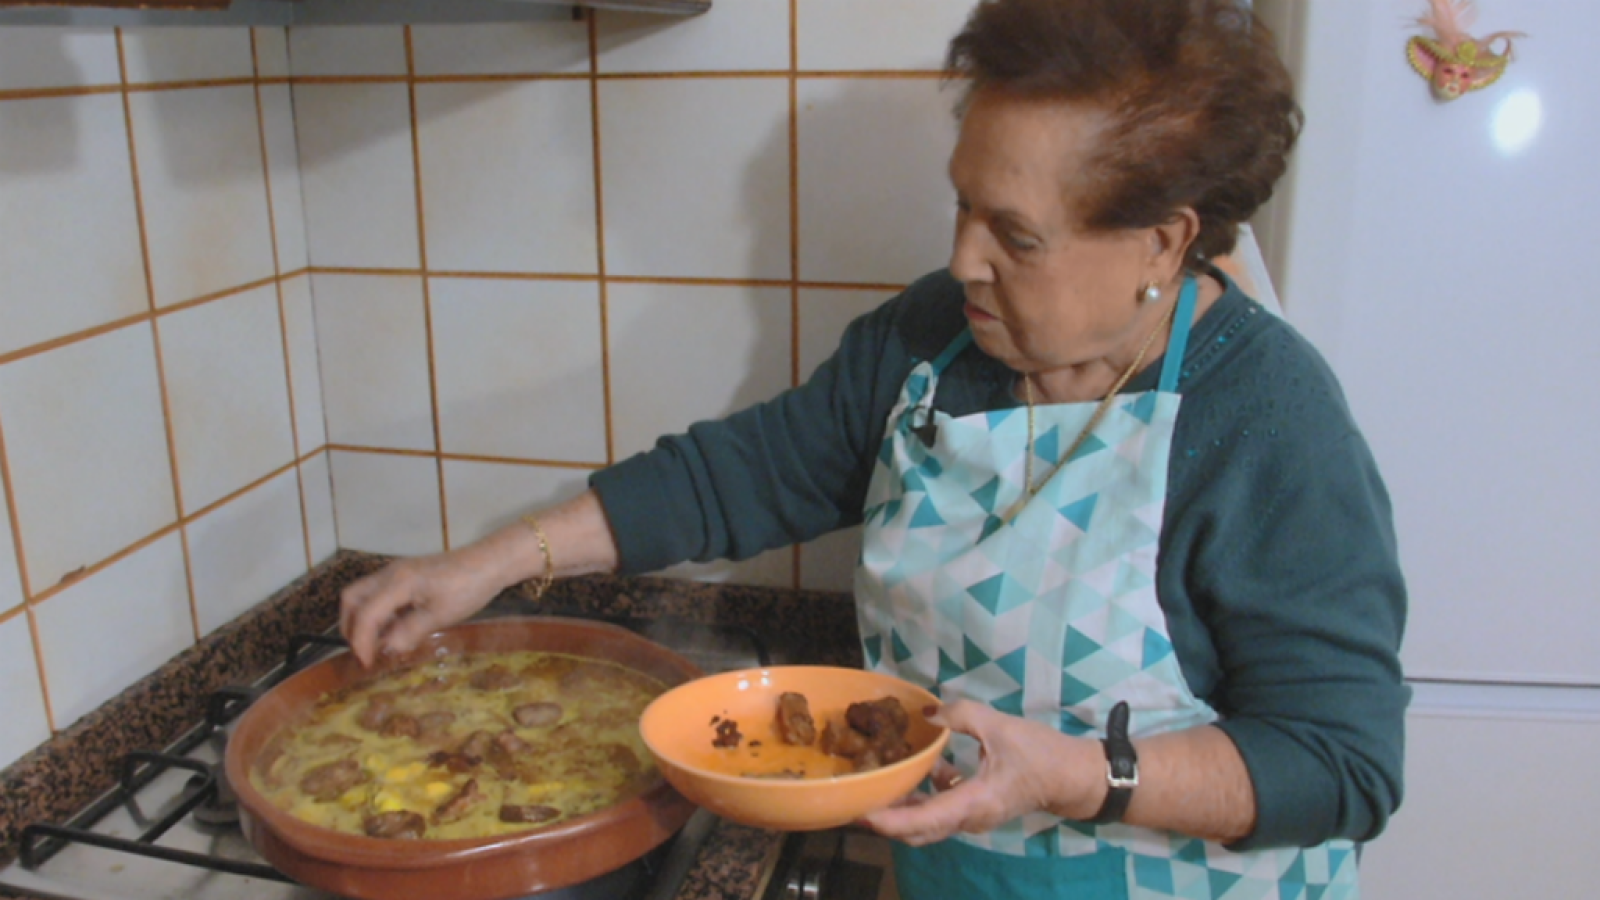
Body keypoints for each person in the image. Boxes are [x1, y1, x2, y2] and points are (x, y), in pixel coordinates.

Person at [339, 1, 1409, 897]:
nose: (963, 261)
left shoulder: (1264, 417)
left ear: (1164, 242)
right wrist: (486, 563)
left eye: (1016, 236)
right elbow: (743, 476)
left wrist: (1079, 775)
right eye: (961, 205)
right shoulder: (927, 341)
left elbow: (1340, 761)